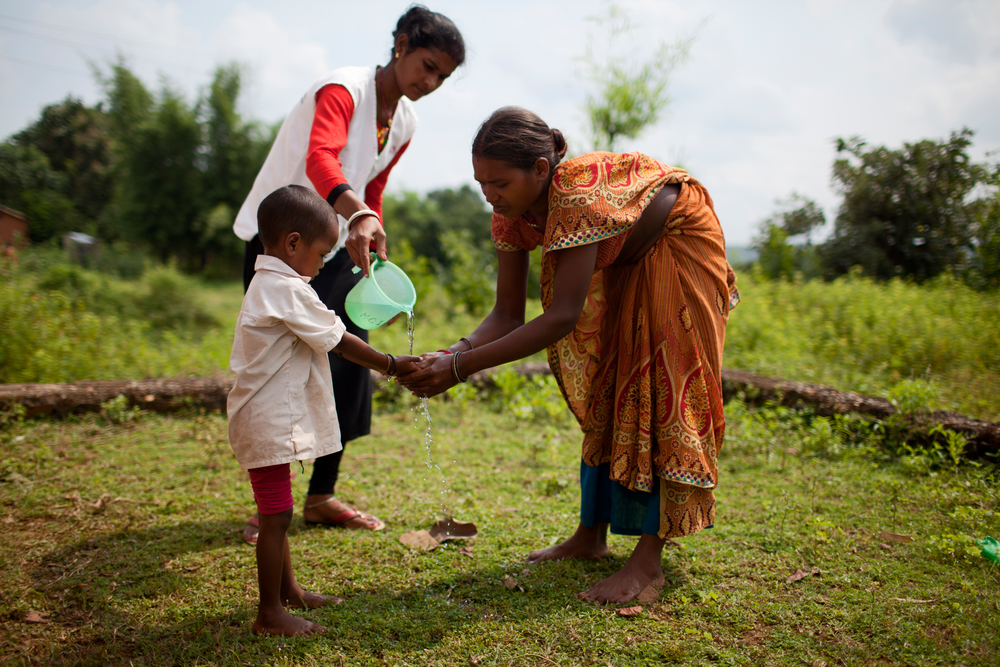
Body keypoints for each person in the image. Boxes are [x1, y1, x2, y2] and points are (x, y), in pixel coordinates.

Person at [397, 107, 740, 604]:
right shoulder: (510, 216)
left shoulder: (577, 193)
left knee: (663, 389)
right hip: (626, 256)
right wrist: (452, 353)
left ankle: (647, 564)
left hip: (678, 246)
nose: (489, 194)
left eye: (499, 182)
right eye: (480, 183)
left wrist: (457, 369)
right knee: (611, 383)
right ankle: (590, 536)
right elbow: (507, 314)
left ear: (541, 169)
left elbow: (560, 317)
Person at [232, 5, 465, 541]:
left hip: (336, 245)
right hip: (282, 242)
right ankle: (270, 506)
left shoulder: (403, 121)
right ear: (402, 44)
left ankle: (321, 495)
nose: (429, 82)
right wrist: (357, 213)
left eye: (442, 77)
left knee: (346, 361)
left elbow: (374, 186)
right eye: (427, 66)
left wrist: (372, 224)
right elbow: (320, 159)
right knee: (281, 369)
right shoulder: (344, 90)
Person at [228, 185, 418, 636]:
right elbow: (339, 338)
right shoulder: (287, 289)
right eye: (321, 254)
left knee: (279, 513)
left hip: (263, 417)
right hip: (266, 420)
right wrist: (391, 364)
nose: (322, 265)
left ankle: (288, 592)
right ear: (293, 244)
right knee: (275, 519)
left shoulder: (272, 282)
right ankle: (269, 613)